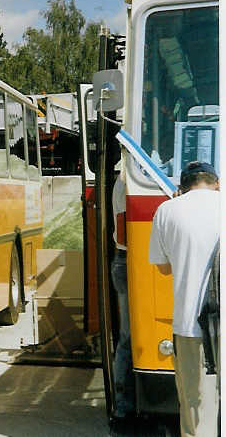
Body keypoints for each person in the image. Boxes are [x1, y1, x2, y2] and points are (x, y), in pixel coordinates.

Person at [148, 161, 219, 437]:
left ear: (182, 187)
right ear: (216, 183)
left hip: (192, 326)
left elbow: (164, 268)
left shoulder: (167, 210)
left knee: (196, 405)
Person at [110, 173, 135, 423]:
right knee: (127, 338)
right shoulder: (130, 181)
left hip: (123, 259)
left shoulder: (124, 179)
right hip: (129, 260)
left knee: (127, 338)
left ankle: (124, 403)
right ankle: (123, 404)